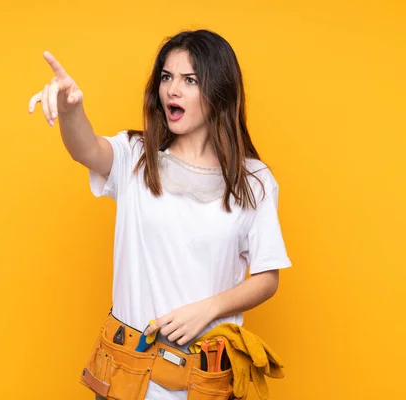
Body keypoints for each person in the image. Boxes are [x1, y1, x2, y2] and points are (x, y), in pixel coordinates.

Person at [28, 29, 292, 400]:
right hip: (128, 371)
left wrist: (209, 309)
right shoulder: (136, 157)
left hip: (204, 380)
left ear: (218, 92)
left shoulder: (255, 181)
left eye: (190, 80)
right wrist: (72, 112)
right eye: (167, 77)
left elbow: (267, 277)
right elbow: (86, 149)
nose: (172, 90)